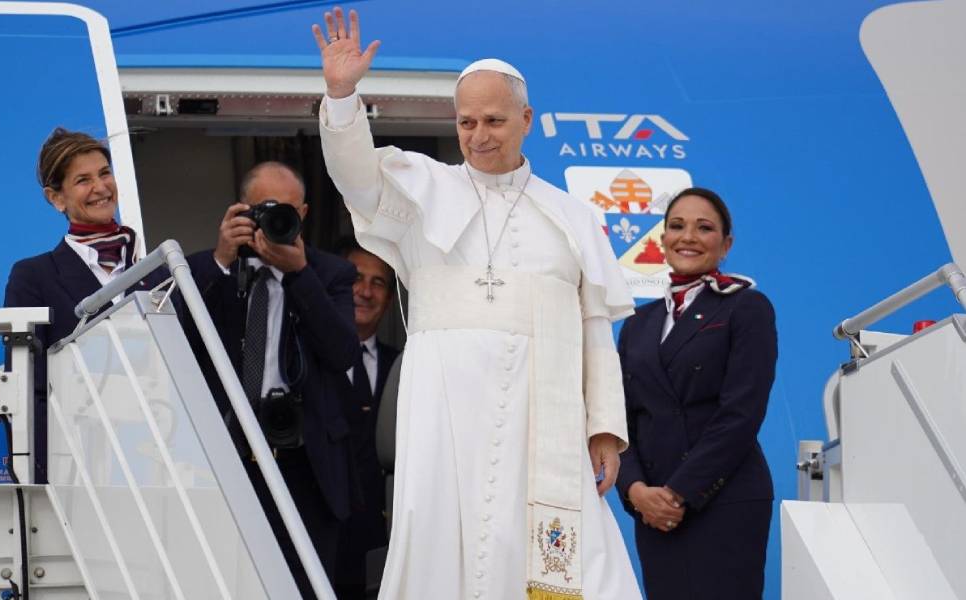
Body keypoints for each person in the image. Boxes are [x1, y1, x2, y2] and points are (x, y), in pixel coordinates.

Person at [312, 8, 642, 599]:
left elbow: (595, 330)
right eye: (466, 122)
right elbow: (354, 174)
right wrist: (341, 96)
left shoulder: (573, 217)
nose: (479, 135)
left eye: (493, 120)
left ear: (527, 119)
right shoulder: (421, 189)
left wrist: (604, 431)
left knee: (561, 553)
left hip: (541, 414)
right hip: (445, 405)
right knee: (440, 533)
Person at [185, 161, 359, 598]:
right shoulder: (206, 271)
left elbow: (342, 354)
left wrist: (299, 276)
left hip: (305, 460)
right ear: (241, 211)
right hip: (228, 455)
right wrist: (222, 260)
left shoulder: (330, 273)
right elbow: (181, 341)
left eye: (286, 211)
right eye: (263, 209)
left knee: (306, 587)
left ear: (303, 213)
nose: (274, 220)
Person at [615, 187, 777, 599]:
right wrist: (636, 492)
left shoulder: (746, 308)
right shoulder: (637, 323)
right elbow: (619, 417)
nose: (688, 236)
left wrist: (679, 493)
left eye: (704, 228)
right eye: (677, 226)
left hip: (723, 500)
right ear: (662, 240)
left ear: (725, 245)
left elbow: (741, 413)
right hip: (652, 509)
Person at [4, 127, 169, 484]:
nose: (100, 187)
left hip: (159, 464)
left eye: (104, 174)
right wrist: (47, 474)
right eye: (83, 180)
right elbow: (25, 388)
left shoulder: (160, 273)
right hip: (78, 470)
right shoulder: (34, 276)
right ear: (56, 198)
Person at [334, 239, 400, 599]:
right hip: (322, 542)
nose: (365, 291)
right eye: (356, 278)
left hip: (385, 546)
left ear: (389, 300)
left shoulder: (405, 366)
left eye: (378, 283)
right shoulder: (305, 358)